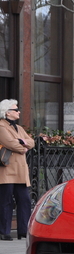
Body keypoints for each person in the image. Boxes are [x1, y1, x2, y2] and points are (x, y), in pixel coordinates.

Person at [0, 99, 34, 241]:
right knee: (6, 201)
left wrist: (23, 144)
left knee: (25, 200)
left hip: (20, 170)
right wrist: (22, 146)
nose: (18, 111)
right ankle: (4, 231)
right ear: (7, 112)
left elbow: (32, 141)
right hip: (6, 169)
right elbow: (10, 143)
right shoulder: (1, 126)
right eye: (16, 109)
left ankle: (23, 231)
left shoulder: (19, 128)